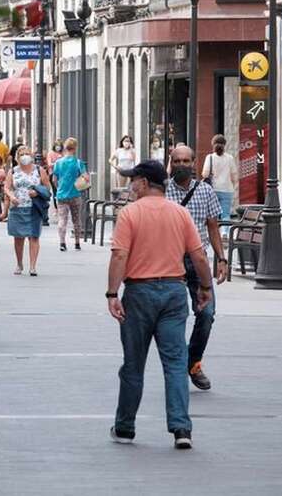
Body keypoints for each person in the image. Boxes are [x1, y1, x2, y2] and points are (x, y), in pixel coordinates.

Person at [107, 160, 213, 450]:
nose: (130, 186)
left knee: (133, 364)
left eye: (133, 181)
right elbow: (199, 256)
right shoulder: (180, 213)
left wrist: (112, 294)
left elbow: (119, 256)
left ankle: (126, 427)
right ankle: (181, 428)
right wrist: (205, 288)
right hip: (174, 292)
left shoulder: (129, 213)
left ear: (143, 182)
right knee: (176, 363)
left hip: (139, 293)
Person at [166, 145, 228, 390]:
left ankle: (193, 361)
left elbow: (213, 227)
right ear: (171, 163)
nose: (181, 164)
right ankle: (177, 364)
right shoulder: (160, 191)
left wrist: (222, 258)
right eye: (177, 160)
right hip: (169, 262)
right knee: (174, 316)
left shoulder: (205, 191)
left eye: (186, 160)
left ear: (194, 163)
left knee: (206, 314)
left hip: (197, 261)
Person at [6, 147, 50, 276]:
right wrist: (11, 196)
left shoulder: (39, 170)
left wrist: (37, 192)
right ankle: (19, 264)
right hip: (17, 208)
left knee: (34, 236)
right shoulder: (13, 171)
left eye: (27, 154)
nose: (24, 156)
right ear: (17, 157)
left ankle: (32, 266)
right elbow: (7, 187)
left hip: (34, 207)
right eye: (21, 154)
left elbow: (47, 188)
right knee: (18, 238)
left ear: (31, 156)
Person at [52, 137, 88, 252]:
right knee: (76, 220)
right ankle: (77, 243)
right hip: (75, 194)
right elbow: (86, 177)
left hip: (62, 195)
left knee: (62, 219)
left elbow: (54, 179)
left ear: (65, 148)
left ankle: (62, 243)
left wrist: (59, 188)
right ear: (75, 148)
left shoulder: (58, 162)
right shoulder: (78, 162)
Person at [202, 134, 238, 236]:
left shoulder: (209, 158)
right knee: (225, 214)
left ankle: (213, 233)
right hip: (227, 189)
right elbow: (234, 175)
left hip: (213, 190)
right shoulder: (230, 158)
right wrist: (233, 185)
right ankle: (224, 233)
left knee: (213, 213)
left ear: (213, 144)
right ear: (224, 145)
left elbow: (205, 174)